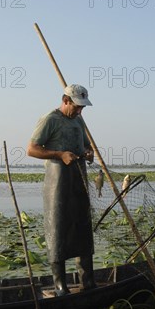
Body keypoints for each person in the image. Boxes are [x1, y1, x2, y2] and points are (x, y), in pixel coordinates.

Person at [27, 84, 96, 296]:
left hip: (79, 179)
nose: (79, 111)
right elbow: (32, 149)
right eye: (76, 107)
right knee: (58, 229)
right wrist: (60, 155)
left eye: (82, 108)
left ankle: (88, 283)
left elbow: (86, 145)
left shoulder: (78, 120)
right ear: (65, 101)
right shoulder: (50, 119)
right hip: (57, 183)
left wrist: (88, 152)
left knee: (82, 228)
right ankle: (60, 287)